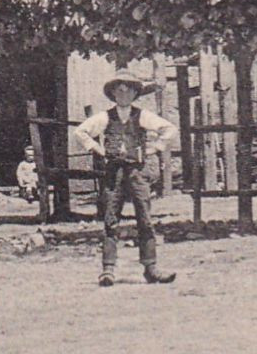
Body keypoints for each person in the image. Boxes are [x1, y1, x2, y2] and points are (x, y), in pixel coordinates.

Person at [72, 76, 179, 287]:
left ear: (135, 94)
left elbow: (170, 130)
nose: (123, 95)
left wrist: (153, 148)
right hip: (113, 172)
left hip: (136, 172)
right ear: (112, 94)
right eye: (119, 91)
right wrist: (98, 149)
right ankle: (108, 269)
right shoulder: (104, 117)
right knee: (111, 217)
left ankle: (151, 267)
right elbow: (80, 132)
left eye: (128, 91)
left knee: (145, 217)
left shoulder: (142, 116)